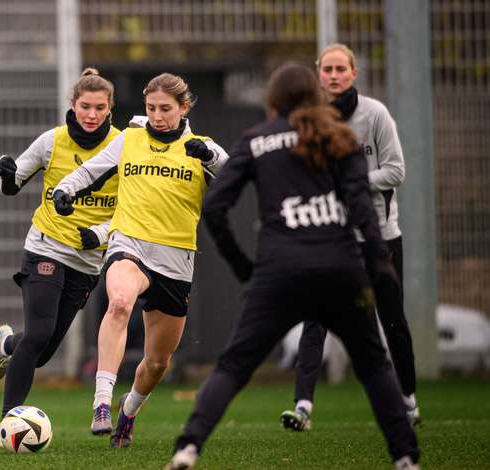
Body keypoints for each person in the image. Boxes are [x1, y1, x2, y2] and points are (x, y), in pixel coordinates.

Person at [165, 63, 419, 470]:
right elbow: (363, 212)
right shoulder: (341, 138)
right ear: (316, 97)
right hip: (341, 268)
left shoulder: (257, 140)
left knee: (233, 365)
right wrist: (379, 266)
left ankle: (188, 448)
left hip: (278, 272)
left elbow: (214, 208)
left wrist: (244, 268)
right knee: (373, 365)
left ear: (273, 100)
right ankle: (405, 457)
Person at [53, 73, 229, 448]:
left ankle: (128, 410)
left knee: (157, 363)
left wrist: (211, 157)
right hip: (129, 242)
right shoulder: (130, 138)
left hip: (176, 259)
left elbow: (235, 175)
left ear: (184, 108)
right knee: (118, 301)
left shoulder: (201, 147)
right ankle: (101, 402)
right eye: (151, 108)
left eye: (166, 109)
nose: (158, 116)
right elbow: (90, 170)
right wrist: (65, 190)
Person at [280, 43, 419, 432]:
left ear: (354, 73)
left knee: (391, 320)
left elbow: (396, 171)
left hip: (380, 236)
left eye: (342, 68)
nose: (335, 75)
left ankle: (408, 401)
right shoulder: (308, 119)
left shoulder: (374, 114)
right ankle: (303, 406)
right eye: (328, 69)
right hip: (331, 237)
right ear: (318, 74)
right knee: (315, 320)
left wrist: (353, 183)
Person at [0, 69, 120, 443]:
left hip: (88, 261)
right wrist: (6, 173)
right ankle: (7, 424)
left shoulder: (125, 146)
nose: (91, 114)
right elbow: (12, 184)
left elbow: (130, 209)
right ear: (73, 106)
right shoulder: (52, 141)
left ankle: (6, 345)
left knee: (39, 351)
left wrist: (100, 234)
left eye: (99, 107)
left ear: (110, 109)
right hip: (45, 246)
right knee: (40, 333)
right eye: (84, 106)